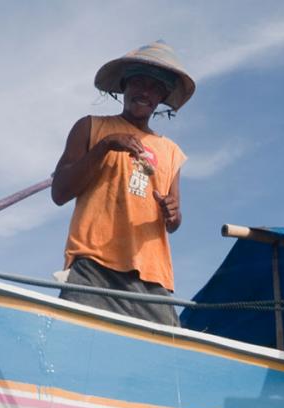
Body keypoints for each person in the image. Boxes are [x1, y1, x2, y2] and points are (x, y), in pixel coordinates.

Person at [51, 41, 195, 326]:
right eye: (138, 82)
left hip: (152, 276)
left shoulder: (171, 152)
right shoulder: (91, 127)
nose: (144, 92)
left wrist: (173, 213)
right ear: (124, 85)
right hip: (93, 266)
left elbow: (174, 221)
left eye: (154, 87)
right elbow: (60, 192)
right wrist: (104, 146)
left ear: (162, 96)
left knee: (167, 354)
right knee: (75, 341)